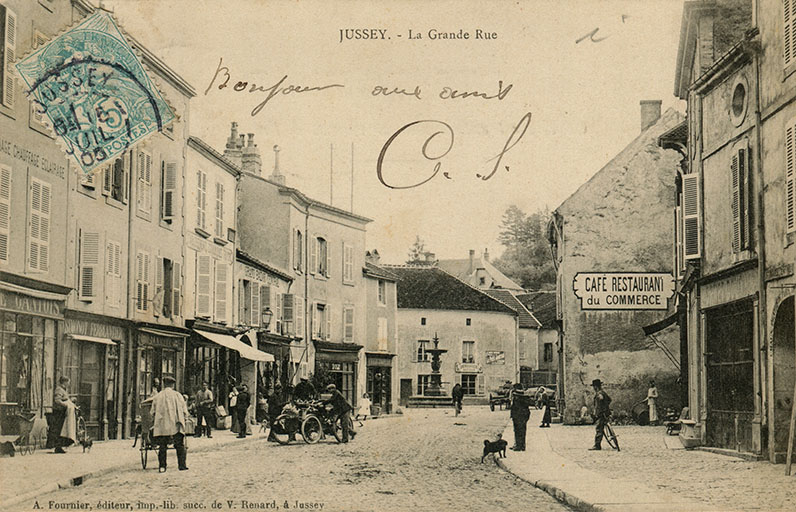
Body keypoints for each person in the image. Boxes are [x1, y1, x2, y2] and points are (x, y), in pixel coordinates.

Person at [151, 375, 189, 472]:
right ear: (172, 385)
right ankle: (182, 465)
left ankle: (162, 466)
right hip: (176, 424)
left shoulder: (158, 396)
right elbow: (184, 410)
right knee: (179, 444)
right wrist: (185, 417)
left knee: (162, 446)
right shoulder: (177, 395)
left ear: (164, 384)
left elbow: (152, 412)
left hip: (162, 425)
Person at [52, 376, 77, 453]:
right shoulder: (59, 389)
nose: (69, 384)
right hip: (59, 413)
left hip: (63, 412)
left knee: (62, 430)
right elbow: (57, 400)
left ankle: (60, 447)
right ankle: (58, 447)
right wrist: (66, 405)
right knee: (59, 430)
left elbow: (64, 398)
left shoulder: (63, 390)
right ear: (64, 382)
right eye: (68, 382)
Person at [589, 379, 612, 451]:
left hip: (601, 414)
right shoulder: (604, 392)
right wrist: (606, 406)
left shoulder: (599, 393)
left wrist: (600, 409)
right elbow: (609, 400)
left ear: (595, 387)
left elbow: (600, 399)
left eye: (594, 387)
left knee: (599, 429)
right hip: (606, 412)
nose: (593, 388)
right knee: (601, 427)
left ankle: (597, 445)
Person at [510, 383, 530, 451]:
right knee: (522, 431)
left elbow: (515, 409)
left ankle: (519, 446)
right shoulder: (523, 399)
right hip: (521, 417)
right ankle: (520, 445)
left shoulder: (518, 400)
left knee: (518, 431)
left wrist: (514, 416)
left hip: (518, 417)